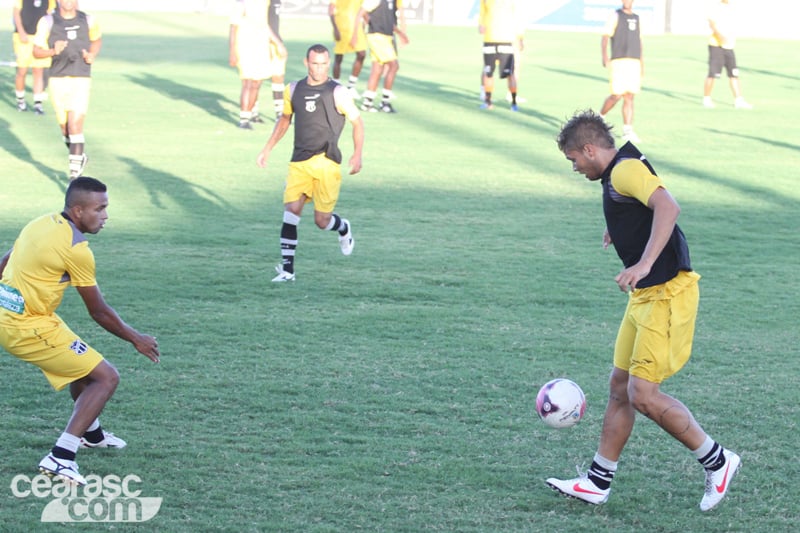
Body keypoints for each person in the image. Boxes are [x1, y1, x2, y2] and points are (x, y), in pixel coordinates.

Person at [547, 109, 740, 512]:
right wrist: (619, 227)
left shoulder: (622, 171)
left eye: (574, 160)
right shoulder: (619, 170)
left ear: (588, 149)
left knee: (643, 395)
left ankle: (718, 461)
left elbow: (668, 207)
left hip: (666, 293)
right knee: (620, 387)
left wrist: (644, 262)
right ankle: (597, 483)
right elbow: (645, 205)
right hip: (645, 298)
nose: (575, 168)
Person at [0, 177, 161, 486]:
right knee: (107, 377)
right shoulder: (76, 249)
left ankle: (93, 435)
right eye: (99, 209)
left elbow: (8, 256)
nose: (105, 216)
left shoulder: (40, 222)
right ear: (77, 211)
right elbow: (98, 311)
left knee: (84, 369)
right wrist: (136, 339)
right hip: (29, 328)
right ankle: (61, 457)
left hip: (19, 317)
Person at [256, 44, 364, 282]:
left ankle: (343, 228)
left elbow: (357, 122)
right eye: (315, 63)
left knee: (321, 221)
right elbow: (285, 120)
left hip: (327, 163)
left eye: (324, 63)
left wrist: (357, 154)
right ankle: (288, 271)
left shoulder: (337, 92)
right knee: (291, 211)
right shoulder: (293, 89)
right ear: (307, 63)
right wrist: (267, 148)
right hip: (299, 162)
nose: (320, 68)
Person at [32, 0, 101, 180]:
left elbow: (97, 39)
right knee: (65, 130)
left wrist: (92, 54)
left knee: (75, 125)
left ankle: (73, 176)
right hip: (57, 78)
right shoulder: (48, 22)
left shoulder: (88, 20)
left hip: (81, 77)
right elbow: (36, 51)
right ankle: (80, 158)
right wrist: (53, 51)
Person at [229, 0, 286, 129]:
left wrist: (278, 44)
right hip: (245, 46)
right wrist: (232, 51)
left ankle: (250, 116)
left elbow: (265, 26)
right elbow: (233, 27)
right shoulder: (241, 3)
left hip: (261, 47)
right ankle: (244, 119)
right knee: (247, 82)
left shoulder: (264, 3)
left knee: (257, 83)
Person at [352, 0, 409, 113]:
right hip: (377, 36)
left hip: (386, 37)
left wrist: (400, 33)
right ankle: (385, 102)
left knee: (377, 69)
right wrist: (355, 35)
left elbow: (389, 21)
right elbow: (360, 13)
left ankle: (367, 102)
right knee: (393, 66)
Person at [599, 0, 643, 143]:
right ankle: (600, 118)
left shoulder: (637, 18)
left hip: (634, 61)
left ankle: (627, 131)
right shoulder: (616, 15)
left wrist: (642, 62)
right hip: (619, 60)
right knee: (616, 95)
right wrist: (605, 55)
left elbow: (640, 40)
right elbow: (605, 36)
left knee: (630, 96)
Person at [703, 0, 752, 109]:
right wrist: (720, 35)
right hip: (716, 45)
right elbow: (711, 23)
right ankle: (706, 98)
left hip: (729, 46)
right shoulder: (715, 7)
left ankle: (738, 100)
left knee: (734, 73)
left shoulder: (732, 8)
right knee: (712, 74)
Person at [478, 0, 524, 111]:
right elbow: (482, 11)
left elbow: (517, 16)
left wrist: (520, 37)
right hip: (489, 39)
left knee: (510, 73)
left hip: (506, 39)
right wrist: (480, 24)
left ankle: (513, 102)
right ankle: (487, 101)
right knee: (488, 71)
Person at [12, 0, 55, 114]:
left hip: (40, 38)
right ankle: (21, 101)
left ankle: (38, 104)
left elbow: (51, 15)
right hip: (23, 37)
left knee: (38, 71)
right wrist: (21, 31)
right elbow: (16, 12)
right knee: (22, 70)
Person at [329, 0, 367, 98]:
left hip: (356, 28)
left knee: (362, 54)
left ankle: (351, 86)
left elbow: (364, 9)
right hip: (342, 28)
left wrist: (366, 22)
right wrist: (335, 29)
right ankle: (335, 87)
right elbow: (331, 10)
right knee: (339, 57)